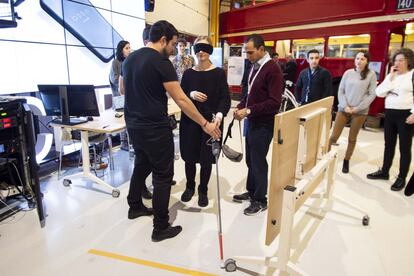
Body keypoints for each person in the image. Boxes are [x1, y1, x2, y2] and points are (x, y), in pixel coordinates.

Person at [122, 20, 220, 242]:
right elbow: (182, 100)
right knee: (163, 175)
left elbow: (128, 92)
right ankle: (161, 226)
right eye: (173, 44)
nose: (174, 49)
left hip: (134, 126)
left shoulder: (130, 59)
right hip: (155, 128)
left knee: (141, 164)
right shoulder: (160, 62)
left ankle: (134, 205)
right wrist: (205, 124)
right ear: (163, 39)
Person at [232, 34, 284, 215]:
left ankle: (261, 200)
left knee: (258, 161)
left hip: (263, 124)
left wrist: (248, 111)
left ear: (262, 50)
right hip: (252, 121)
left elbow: (274, 102)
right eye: (246, 52)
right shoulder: (255, 66)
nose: (247, 56)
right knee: (250, 160)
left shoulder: (273, 70)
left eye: (250, 52)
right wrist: (241, 106)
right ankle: (252, 191)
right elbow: (250, 93)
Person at [179, 36, 231, 207]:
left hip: (211, 123)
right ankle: (189, 187)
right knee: (189, 157)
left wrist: (219, 116)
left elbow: (225, 98)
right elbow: (180, 96)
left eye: (204, 48)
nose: (201, 51)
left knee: (207, 158)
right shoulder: (188, 74)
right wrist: (190, 95)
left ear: (210, 51)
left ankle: (203, 190)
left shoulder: (218, 74)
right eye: (197, 48)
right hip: (189, 123)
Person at [367, 48, 414, 192]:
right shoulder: (392, 76)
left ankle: (401, 177)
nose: (398, 63)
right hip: (390, 114)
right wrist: (390, 78)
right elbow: (379, 93)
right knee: (389, 145)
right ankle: (385, 171)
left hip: (406, 115)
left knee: (404, 148)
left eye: (401, 60)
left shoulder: (412, 75)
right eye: (396, 60)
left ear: (408, 62)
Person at [328, 51, 377, 173]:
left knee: (352, 138)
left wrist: (358, 108)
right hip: (343, 109)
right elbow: (341, 90)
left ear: (367, 61)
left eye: (362, 59)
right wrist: (344, 106)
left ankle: (346, 159)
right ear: (354, 60)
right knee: (334, 136)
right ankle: (327, 157)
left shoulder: (371, 75)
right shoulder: (348, 73)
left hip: (360, 112)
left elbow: (372, 94)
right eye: (357, 58)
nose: (359, 61)